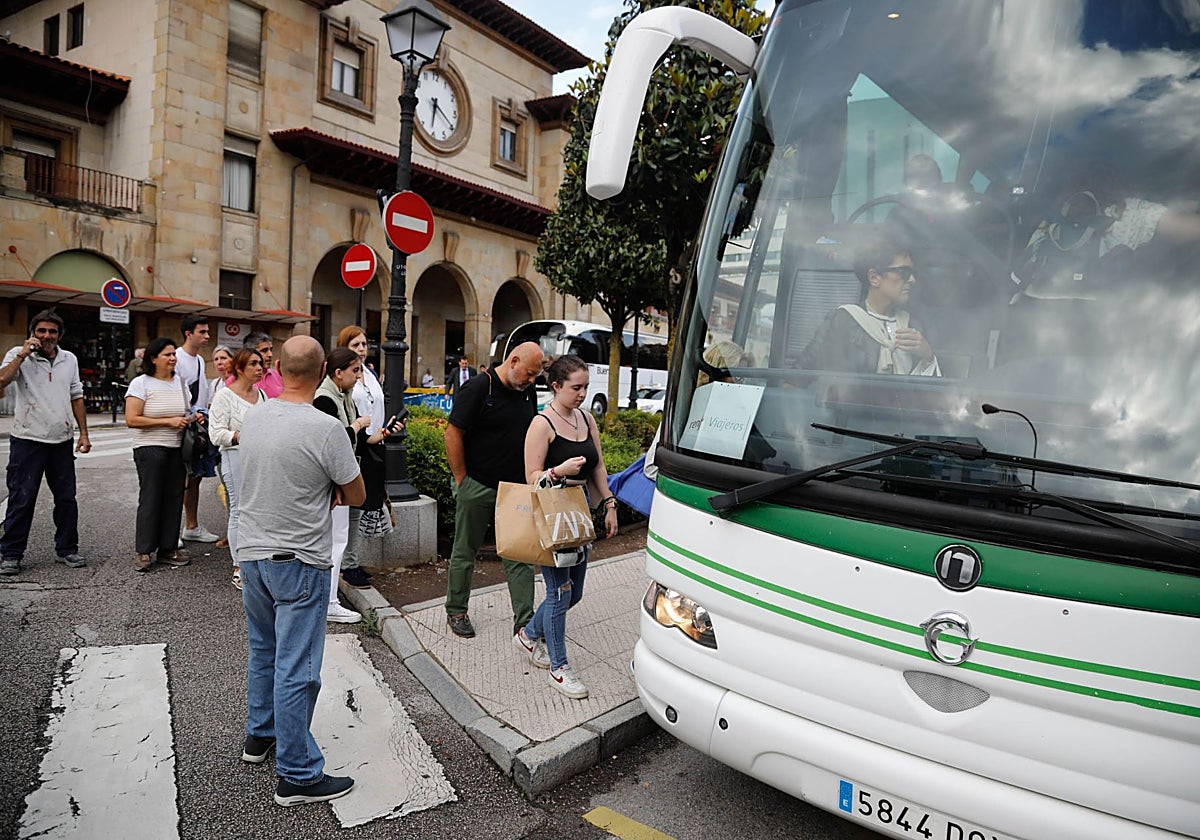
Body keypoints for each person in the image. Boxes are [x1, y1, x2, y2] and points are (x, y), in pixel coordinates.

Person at [236, 336, 364, 807]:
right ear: (322, 373)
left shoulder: (256, 415)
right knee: (298, 666)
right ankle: (298, 772)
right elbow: (356, 494)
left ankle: (260, 734)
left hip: (250, 550)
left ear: (280, 368)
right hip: (299, 557)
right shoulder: (326, 428)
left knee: (264, 650)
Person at [515, 355, 619, 699]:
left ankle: (529, 635)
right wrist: (558, 471)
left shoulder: (587, 419)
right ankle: (559, 668)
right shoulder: (541, 424)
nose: (583, 393)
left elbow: (598, 467)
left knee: (574, 593)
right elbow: (531, 476)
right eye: (576, 387)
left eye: (586, 386)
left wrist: (609, 503)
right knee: (559, 594)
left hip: (579, 517)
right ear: (556, 386)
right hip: (550, 519)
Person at [443, 342, 544, 638]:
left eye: (535, 376)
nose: (531, 380)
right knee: (465, 551)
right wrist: (462, 480)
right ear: (513, 361)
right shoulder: (478, 388)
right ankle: (457, 610)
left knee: (520, 557)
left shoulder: (526, 389)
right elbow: (453, 432)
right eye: (528, 373)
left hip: (515, 488)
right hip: (478, 484)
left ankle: (524, 622)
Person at [0, 309, 90, 576]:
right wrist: (23, 353)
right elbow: (2, 381)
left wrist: (84, 433)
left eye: (52, 331)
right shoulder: (19, 355)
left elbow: (77, 395)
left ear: (59, 335)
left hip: (61, 440)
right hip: (28, 439)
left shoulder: (69, 359)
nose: (46, 336)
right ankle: (11, 553)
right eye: (41, 331)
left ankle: (67, 549)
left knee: (66, 499)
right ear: (32, 333)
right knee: (21, 498)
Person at [313, 348, 395, 622]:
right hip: (333, 479)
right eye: (355, 371)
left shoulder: (342, 395)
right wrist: (358, 425)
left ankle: (329, 599)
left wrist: (380, 433)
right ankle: (328, 602)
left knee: (339, 537)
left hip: (344, 473)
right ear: (338, 373)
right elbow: (336, 440)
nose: (359, 377)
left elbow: (356, 440)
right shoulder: (325, 398)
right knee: (334, 540)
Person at [799, 239, 940, 376]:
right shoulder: (843, 321)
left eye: (912, 273)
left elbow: (929, 395)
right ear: (874, 278)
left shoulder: (913, 326)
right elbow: (799, 376)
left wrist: (927, 356)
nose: (912, 280)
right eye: (904, 272)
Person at [125, 338, 201, 573]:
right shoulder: (141, 383)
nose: (172, 358)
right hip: (150, 448)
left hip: (177, 448)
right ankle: (144, 550)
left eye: (173, 354)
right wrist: (167, 422)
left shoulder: (180, 383)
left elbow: (186, 411)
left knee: (174, 497)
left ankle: (168, 548)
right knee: (151, 497)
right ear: (153, 358)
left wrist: (194, 418)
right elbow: (132, 419)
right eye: (167, 354)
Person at [208, 348, 266, 589]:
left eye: (261, 363)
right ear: (240, 368)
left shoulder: (261, 394)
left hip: (259, 458)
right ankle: (238, 566)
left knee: (258, 511)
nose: (260, 367)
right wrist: (243, 436)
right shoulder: (225, 396)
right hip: (235, 456)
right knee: (239, 511)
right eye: (253, 363)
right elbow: (216, 433)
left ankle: (255, 560)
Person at [336, 326, 386, 591]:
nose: (363, 349)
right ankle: (347, 563)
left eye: (365, 344)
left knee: (361, 506)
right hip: (354, 444)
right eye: (356, 344)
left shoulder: (369, 374)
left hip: (371, 444)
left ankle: (352, 560)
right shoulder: (345, 378)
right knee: (350, 507)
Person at [175, 314, 220, 543]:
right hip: (182, 426)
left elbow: (202, 392)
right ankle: (172, 529)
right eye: (202, 332)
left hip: (198, 425)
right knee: (179, 479)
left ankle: (191, 526)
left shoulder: (200, 360)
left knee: (195, 478)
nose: (207, 336)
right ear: (188, 334)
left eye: (208, 331)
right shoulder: (177, 358)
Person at [244, 331, 284, 398]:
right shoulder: (237, 378)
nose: (270, 354)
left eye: (271, 350)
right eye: (264, 350)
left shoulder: (278, 375)